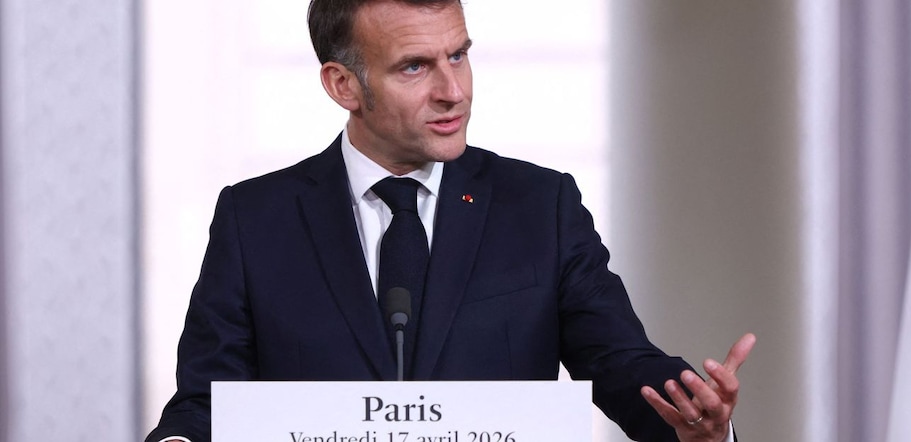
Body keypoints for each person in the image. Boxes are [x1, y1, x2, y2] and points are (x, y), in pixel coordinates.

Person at [146, 1, 756, 441]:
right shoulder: (255, 219)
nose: (453, 90)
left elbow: (622, 362)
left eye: (458, 56)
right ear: (342, 85)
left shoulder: (540, 206)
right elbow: (208, 400)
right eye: (415, 67)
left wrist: (694, 421)